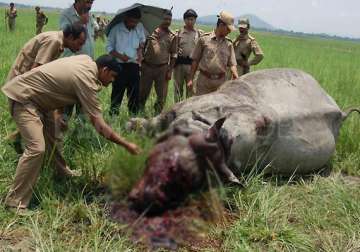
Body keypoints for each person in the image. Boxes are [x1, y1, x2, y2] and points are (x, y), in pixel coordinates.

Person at [2, 54, 141, 213]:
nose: (112, 81)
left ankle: (61, 171)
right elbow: (100, 126)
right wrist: (127, 144)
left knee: (52, 137)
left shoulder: (86, 60)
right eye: (112, 76)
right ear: (105, 70)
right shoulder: (86, 80)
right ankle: (15, 202)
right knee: (36, 149)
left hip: (40, 101)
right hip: (25, 99)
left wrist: (59, 112)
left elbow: (61, 82)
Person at [4, 23, 87, 154]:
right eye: (79, 42)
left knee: (45, 121)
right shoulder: (54, 41)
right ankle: (25, 145)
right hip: (22, 87)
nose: (80, 47)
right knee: (41, 120)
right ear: (70, 37)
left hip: (22, 84)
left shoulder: (57, 42)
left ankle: (17, 139)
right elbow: (36, 71)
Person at [187, 11, 238, 95]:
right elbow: (195, 61)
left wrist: (235, 75)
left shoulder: (229, 44)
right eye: (228, 29)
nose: (229, 32)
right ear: (221, 25)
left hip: (221, 83)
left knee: (218, 107)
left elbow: (232, 63)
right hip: (203, 81)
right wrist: (190, 79)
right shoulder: (204, 39)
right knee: (201, 106)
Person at [106, 8, 146, 116]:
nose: (134, 24)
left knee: (134, 93)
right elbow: (109, 47)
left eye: (136, 22)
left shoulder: (139, 27)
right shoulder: (116, 29)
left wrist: (141, 48)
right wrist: (120, 56)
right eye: (132, 21)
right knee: (117, 93)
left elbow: (143, 40)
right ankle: (113, 116)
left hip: (134, 66)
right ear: (126, 18)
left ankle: (133, 117)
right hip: (119, 66)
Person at [139, 10, 177, 114]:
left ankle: (157, 115)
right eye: (165, 19)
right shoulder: (150, 31)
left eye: (169, 19)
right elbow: (141, 47)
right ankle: (140, 112)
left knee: (162, 96)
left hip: (162, 69)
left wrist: (170, 71)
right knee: (143, 93)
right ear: (160, 19)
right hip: (147, 67)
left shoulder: (173, 35)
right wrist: (140, 61)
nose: (167, 21)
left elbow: (174, 55)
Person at [173, 9, 202, 102]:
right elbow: (173, 48)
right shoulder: (178, 33)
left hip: (192, 66)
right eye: (188, 19)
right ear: (184, 20)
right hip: (179, 65)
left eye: (192, 19)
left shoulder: (199, 33)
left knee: (191, 90)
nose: (190, 21)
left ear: (195, 20)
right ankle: (176, 111)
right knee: (178, 90)